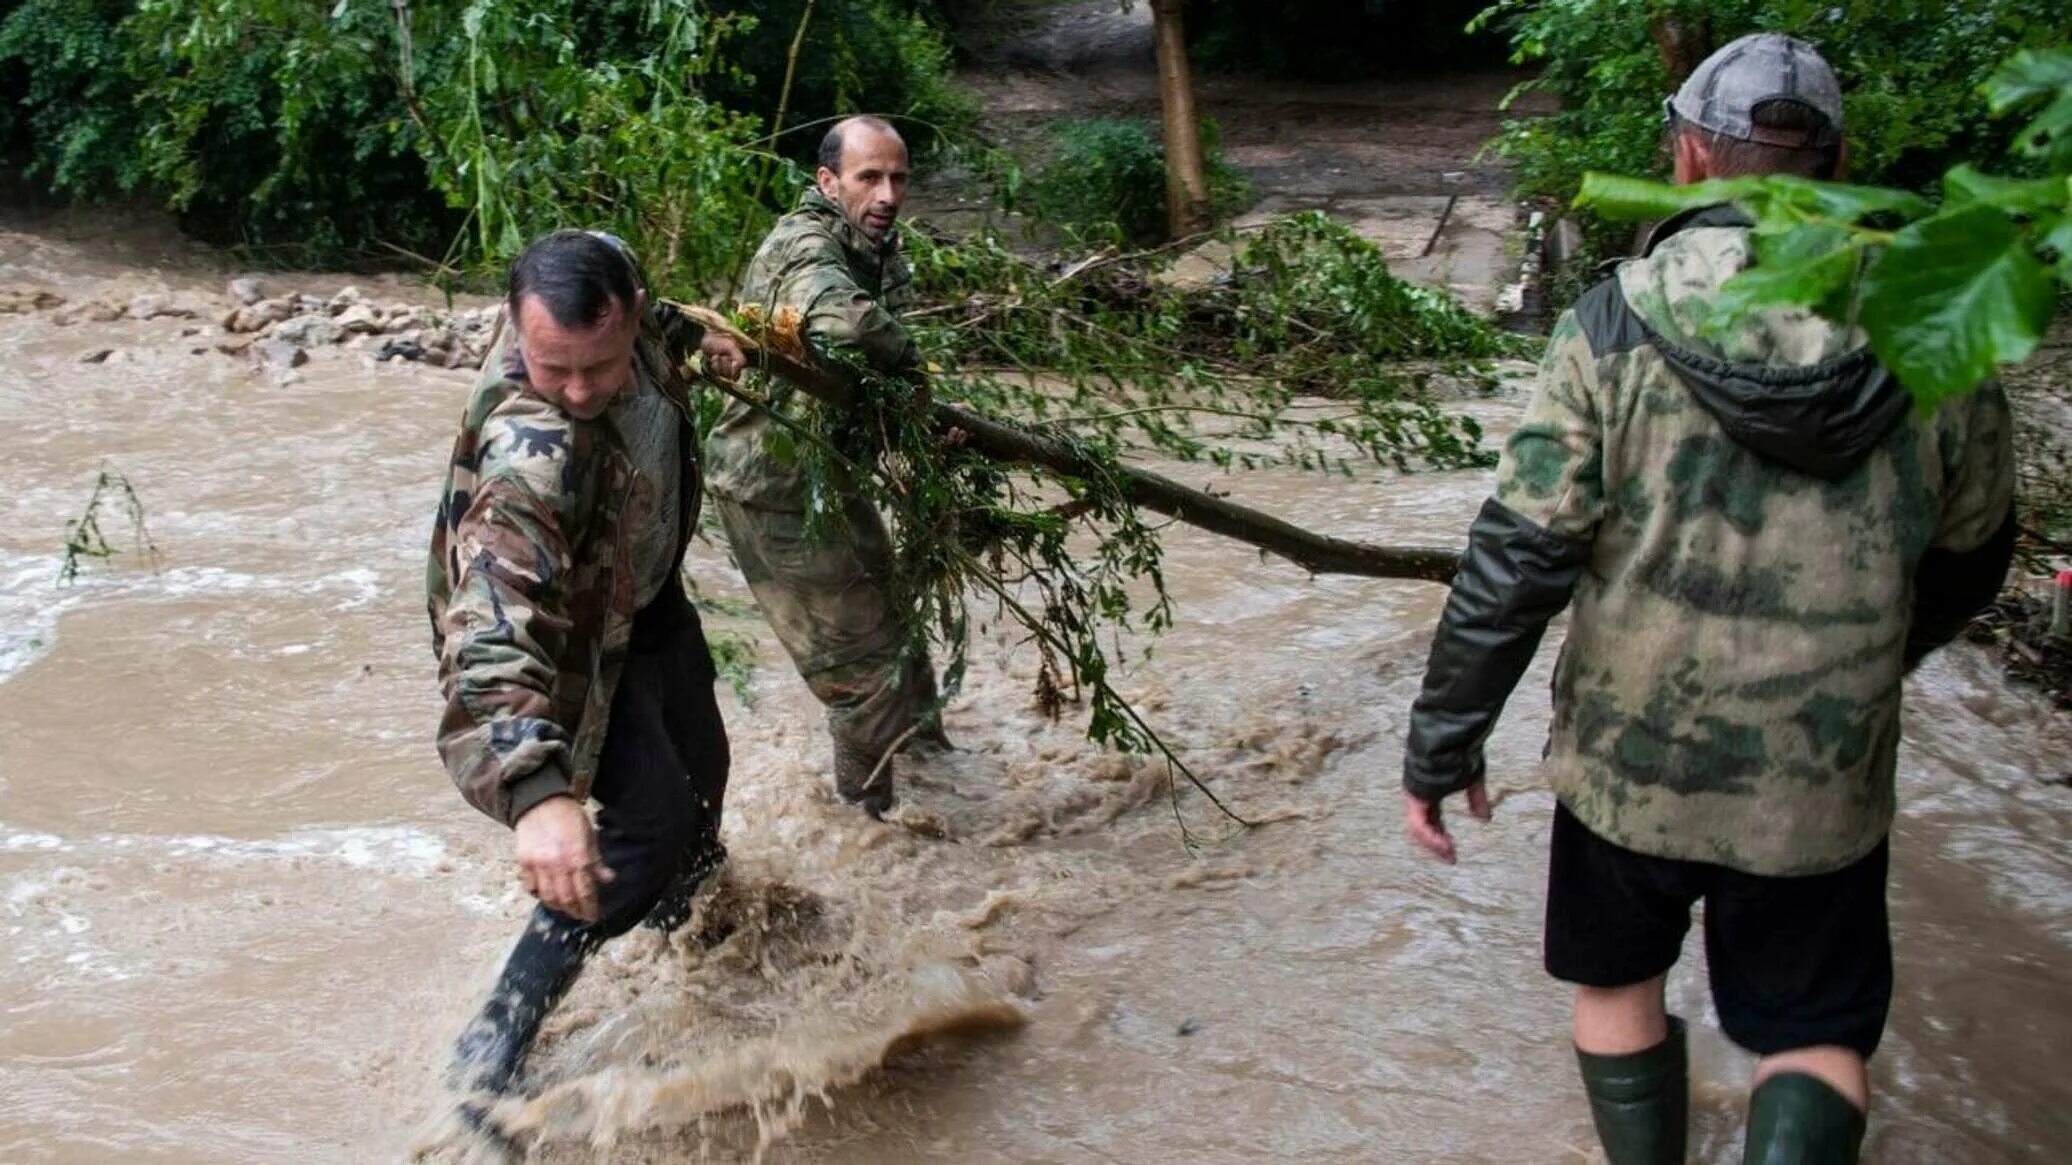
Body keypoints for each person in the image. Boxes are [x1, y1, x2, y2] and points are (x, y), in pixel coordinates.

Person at [1398, 33, 2016, 1165]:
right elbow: (1974, 553)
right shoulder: (1940, 330)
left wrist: (1442, 742)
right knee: (1815, 1032)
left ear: (1684, 156)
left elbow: (1517, 556)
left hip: (1630, 758)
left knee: (1617, 983)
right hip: (1819, 771)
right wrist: (1874, 655)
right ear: (1834, 164)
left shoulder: (1612, 321)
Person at [427, 229, 750, 1109]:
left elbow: (667, 324)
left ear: (629, 314)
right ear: (513, 326)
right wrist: (539, 793)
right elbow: (490, 632)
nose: (574, 390)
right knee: (649, 817)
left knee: (704, 772)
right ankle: (491, 1047)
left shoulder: (632, 311)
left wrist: (707, 337)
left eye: (597, 368)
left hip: (644, 599)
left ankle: (694, 932)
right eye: (550, 366)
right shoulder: (529, 450)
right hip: (562, 648)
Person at [704, 114, 948, 818]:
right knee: (864, 675)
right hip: (770, 484)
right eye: (869, 177)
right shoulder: (804, 242)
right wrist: (916, 380)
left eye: (898, 178)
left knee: (900, 634)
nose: (888, 193)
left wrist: (914, 427)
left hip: (825, 469)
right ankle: (870, 829)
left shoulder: (872, 242)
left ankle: (941, 778)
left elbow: (866, 373)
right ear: (827, 181)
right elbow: (843, 323)